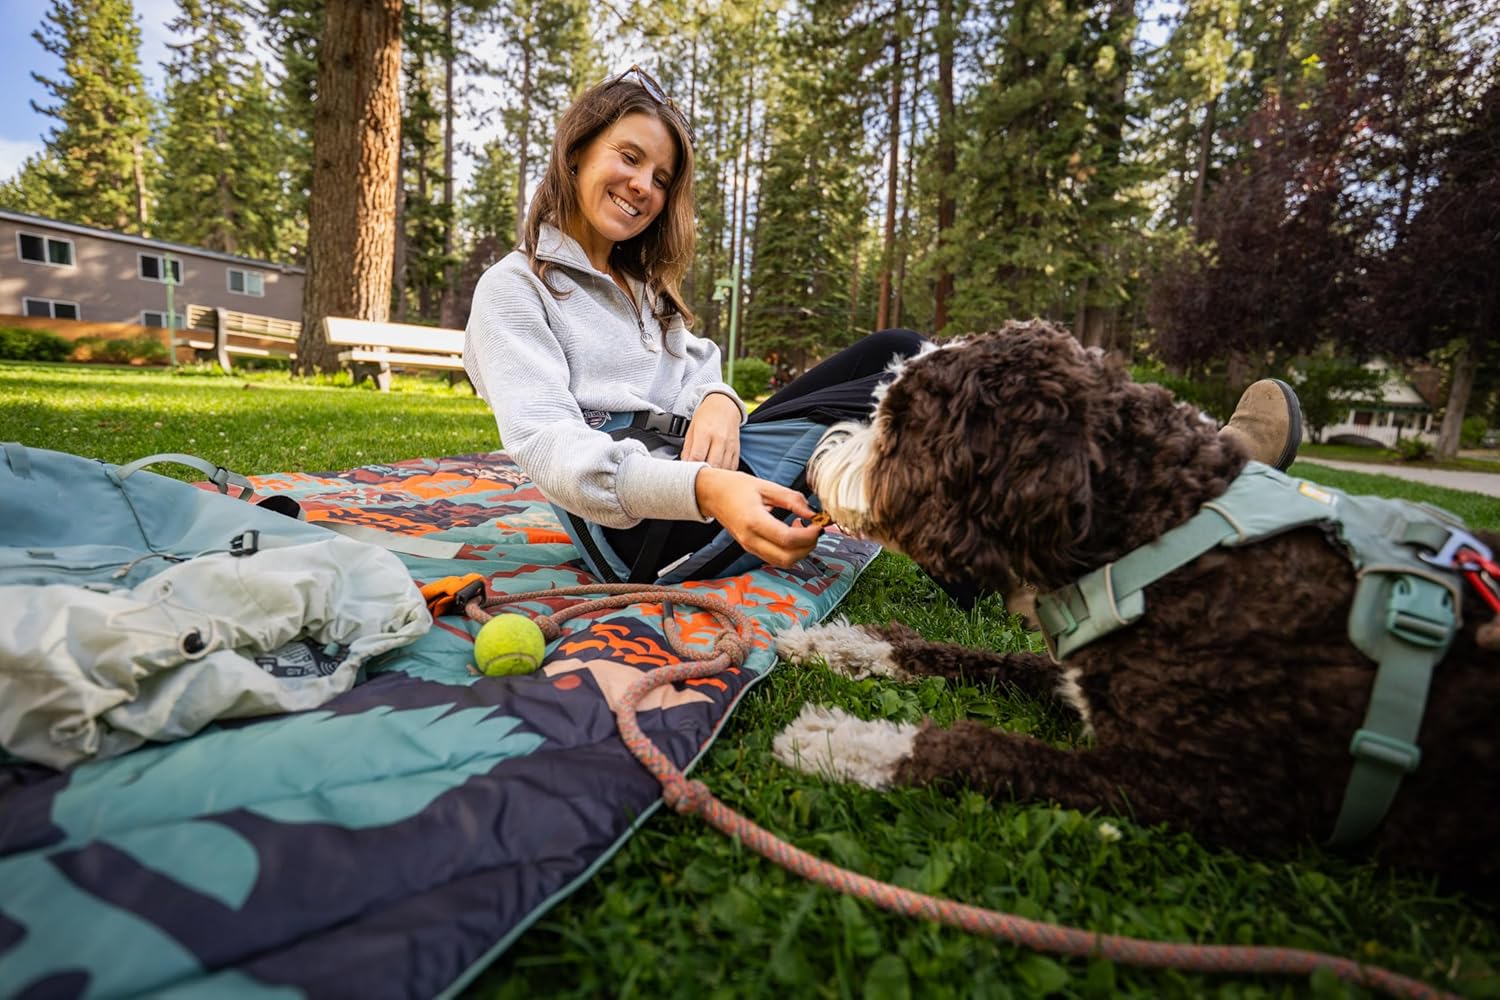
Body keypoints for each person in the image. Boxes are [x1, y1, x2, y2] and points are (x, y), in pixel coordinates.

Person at [464, 65, 1303, 589]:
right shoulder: (516, 291)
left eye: (660, 173)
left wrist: (718, 396)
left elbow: (698, 364)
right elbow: (551, 452)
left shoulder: (639, 289)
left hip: (699, 463)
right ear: (576, 154)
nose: (642, 184)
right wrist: (707, 489)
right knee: (905, 408)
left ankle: (1127, 487)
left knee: (897, 354)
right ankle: (1183, 477)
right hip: (643, 525)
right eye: (627, 156)